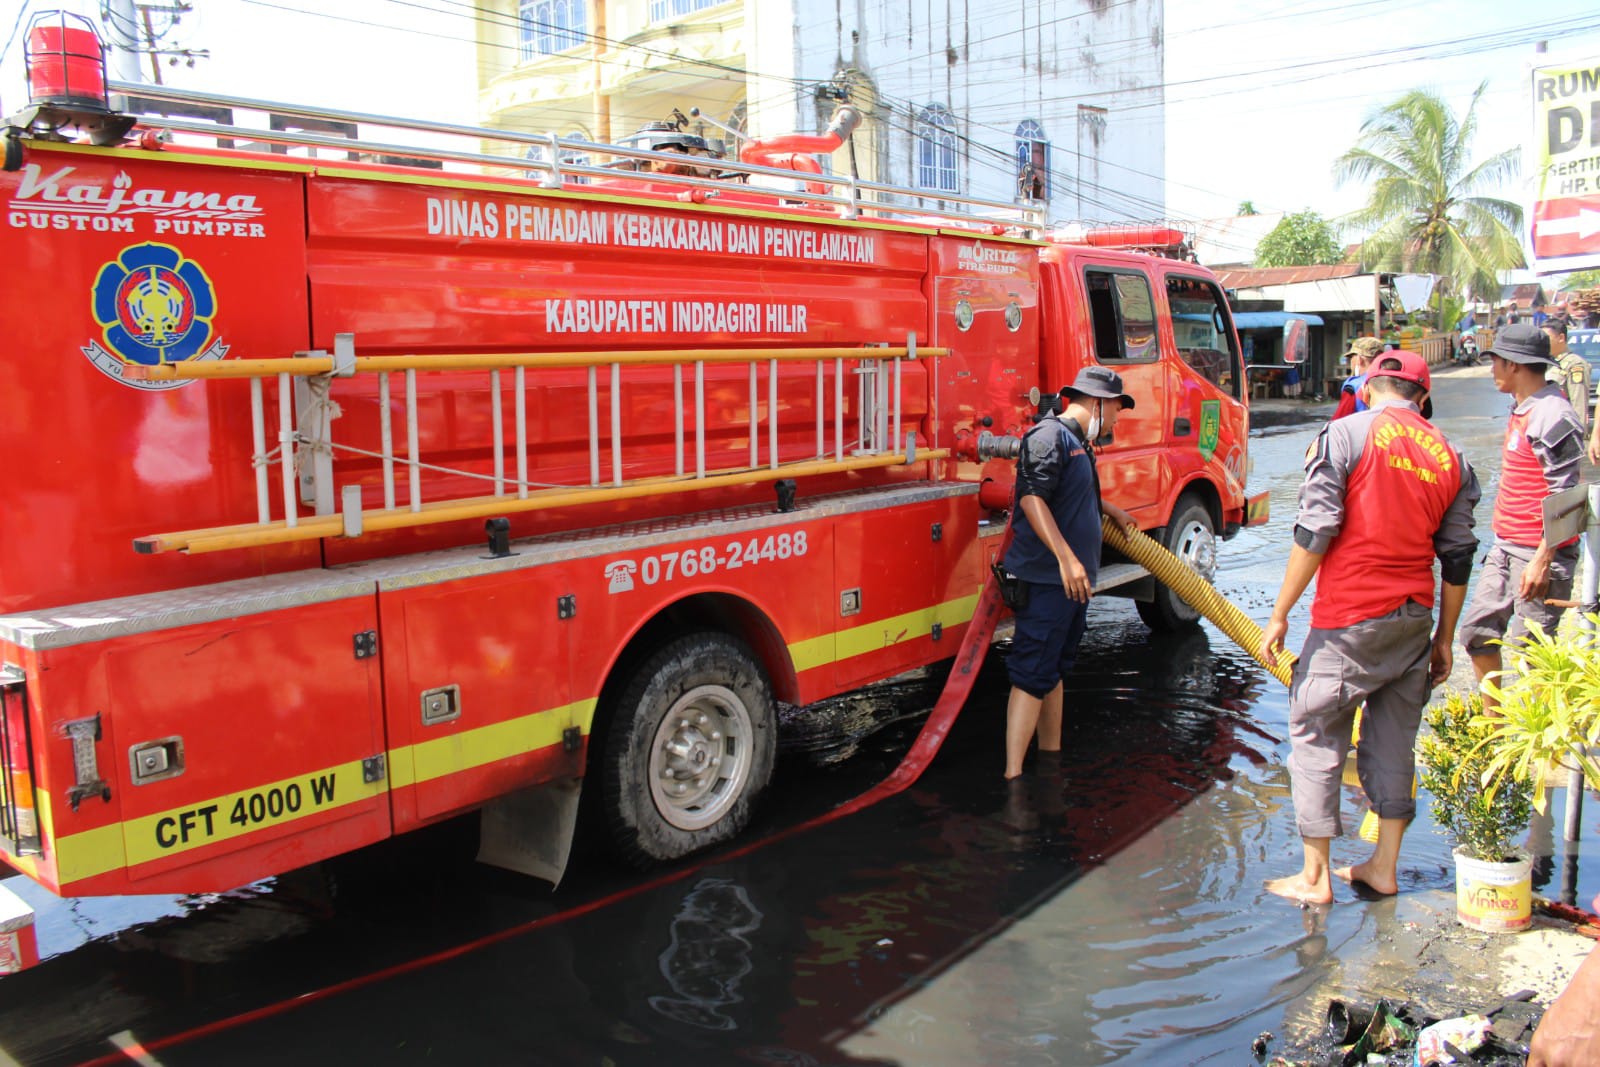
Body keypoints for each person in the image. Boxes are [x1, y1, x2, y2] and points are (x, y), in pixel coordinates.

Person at [1259, 351, 1480, 904]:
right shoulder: (1451, 457)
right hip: (1413, 621)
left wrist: (1281, 611)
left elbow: (1316, 530)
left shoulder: (1344, 436)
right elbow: (1457, 558)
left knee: (1315, 731)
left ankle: (1313, 879)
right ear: (1423, 399)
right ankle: (1382, 867)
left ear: (1366, 387)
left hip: (1349, 622)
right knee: (1394, 741)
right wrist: (1444, 640)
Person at [1001, 365, 1138, 781]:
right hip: (1047, 580)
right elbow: (1032, 500)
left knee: (1054, 668)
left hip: (1071, 584)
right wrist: (1065, 558)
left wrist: (1110, 510)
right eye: (1116, 409)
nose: (1116, 419)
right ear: (1097, 403)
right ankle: (1013, 776)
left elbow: (1074, 496)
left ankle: (1050, 758)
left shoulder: (1079, 442)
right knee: (1031, 673)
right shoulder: (1047, 438)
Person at [1460, 323, 1585, 711]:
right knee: (1477, 634)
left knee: (1533, 658)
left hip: (1537, 554)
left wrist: (1543, 559)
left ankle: (1539, 749)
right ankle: (1495, 728)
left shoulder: (1553, 414)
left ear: (1513, 364)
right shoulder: (1523, 409)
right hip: (1506, 546)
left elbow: (1567, 497)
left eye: (1495, 361)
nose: (1492, 370)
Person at [1543, 316, 1591, 435]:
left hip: (1563, 430)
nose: (1542, 343)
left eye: (1546, 338)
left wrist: (1578, 436)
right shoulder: (1546, 363)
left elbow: (1579, 404)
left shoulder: (1575, 365)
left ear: (1561, 338)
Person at [1331, 337, 1385, 420]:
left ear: (1359, 359)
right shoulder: (1393, 381)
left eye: (1352, 357)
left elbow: (1339, 421)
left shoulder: (1353, 387)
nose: (1351, 361)